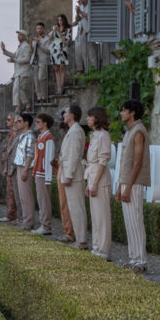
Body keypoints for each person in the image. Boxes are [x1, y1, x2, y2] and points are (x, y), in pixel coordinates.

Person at [116, 99, 151, 273]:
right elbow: (124, 161)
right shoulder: (129, 131)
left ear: (132, 113)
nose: (121, 113)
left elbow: (137, 163)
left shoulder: (138, 131)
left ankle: (141, 260)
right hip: (126, 181)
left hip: (134, 183)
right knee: (129, 222)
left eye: (124, 110)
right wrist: (120, 186)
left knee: (136, 221)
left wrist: (128, 186)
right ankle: (133, 257)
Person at [85, 107, 113, 259]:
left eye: (90, 117)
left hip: (100, 178)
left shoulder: (103, 136)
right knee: (95, 216)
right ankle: (96, 247)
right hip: (92, 175)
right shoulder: (95, 135)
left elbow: (103, 160)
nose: (88, 119)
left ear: (97, 117)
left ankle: (103, 251)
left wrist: (95, 183)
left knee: (102, 217)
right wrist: (88, 182)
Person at [59, 105, 88, 250]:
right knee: (73, 207)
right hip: (70, 174)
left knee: (77, 208)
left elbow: (74, 155)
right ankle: (79, 237)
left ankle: (82, 240)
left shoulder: (76, 131)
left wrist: (69, 174)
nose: (64, 114)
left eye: (66, 112)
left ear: (72, 115)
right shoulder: (73, 130)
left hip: (74, 175)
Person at [30, 113, 56, 235]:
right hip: (39, 172)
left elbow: (49, 158)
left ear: (45, 123)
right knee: (41, 200)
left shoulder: (48, 138)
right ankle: (43, 224)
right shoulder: (41, 136)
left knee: (44, 200)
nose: (36, 124)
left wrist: (48, 178)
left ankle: (46, 226)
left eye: (38, 122)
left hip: (43, 173)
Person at [10, 113, 38, 229]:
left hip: (25, 167)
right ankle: (25, 219)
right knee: (22, 196)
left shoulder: (30, 136)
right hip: (19, 166)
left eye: (19, 121)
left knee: (27, 196)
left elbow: (30, 154)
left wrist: (26, 169)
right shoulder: (23, 135)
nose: (16, 123)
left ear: (26, 123)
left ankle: (28, 221)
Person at [1, 29, 35, 114]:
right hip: (19, 72)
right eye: (18, 35)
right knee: (17, 89)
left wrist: (15, 60)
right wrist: (4, 50)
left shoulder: (26, 46)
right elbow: (14, 55)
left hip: (23, 72)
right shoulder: (21, 46)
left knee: (17, 89)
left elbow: (27, 59)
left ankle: (22, 106)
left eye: (20, 35)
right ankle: (23, 105)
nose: (18, 37)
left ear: (24, 36)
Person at [55, 114, 76, 244]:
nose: (62, 119)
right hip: (61, 170)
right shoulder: (67, 133)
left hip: (66, 171)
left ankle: (70, 232)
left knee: (66, 204)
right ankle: (67, 230)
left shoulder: (74, 132)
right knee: (63, 203)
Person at [71, 0, 98, 74]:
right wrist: (77, 12)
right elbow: (78, 19)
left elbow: (89, 17)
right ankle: (87, 71)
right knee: (83, 52)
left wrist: (81, 12)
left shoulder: (90, 6)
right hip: (82, 32)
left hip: (89, 31)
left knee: (91, 52)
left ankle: (94, 70)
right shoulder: (81, 6)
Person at [0, 115, 20, 223]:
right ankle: (11, 214)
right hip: (9, 166)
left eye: (9, 120)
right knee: (10, 192)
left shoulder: (15, 134)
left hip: (12, 167)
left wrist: (7, 167)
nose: (7, 121)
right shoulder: (11, 134)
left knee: (12, 192)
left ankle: (12, 215)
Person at [50, 15, 71, 95]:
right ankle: (58, 87)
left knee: (62, 68)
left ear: (64, 21)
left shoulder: (68, 30)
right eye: (58, 20)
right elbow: (49, 38)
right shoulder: (54, 28)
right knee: (56, 69)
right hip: (55, 50)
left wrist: (59, 32)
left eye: (61, 20)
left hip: (62, 50)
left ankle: (62, 87)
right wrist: (53, 31)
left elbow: (66, 42)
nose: (59, 22)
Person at [33, 22, 52, 103]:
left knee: (42, 78)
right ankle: (39, 97)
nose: (39, 30)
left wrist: (39, 44)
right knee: (36, 80)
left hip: (43, 60)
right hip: (35, 61)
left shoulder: (47, 39)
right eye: (37, 29)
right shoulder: (34, 39)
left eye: (40, 28)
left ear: (43, 29)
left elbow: (48, 51)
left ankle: (44, 97)